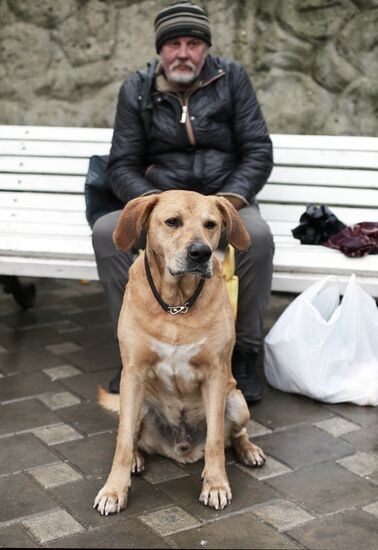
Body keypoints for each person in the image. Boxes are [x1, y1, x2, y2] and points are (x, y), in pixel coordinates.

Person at [92, 1, 274, 403]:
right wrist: (154, 208)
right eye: (174, 43)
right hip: (161, 204)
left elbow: (258, 150)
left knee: (256, 240)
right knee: (108, 233)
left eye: (193, 43)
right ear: (161, 49)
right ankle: (134, 350)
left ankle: (243, 351)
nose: (183, 53)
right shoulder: (136, 89)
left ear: (205, 48)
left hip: (223, 202)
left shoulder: (233, 79)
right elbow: (121, 162)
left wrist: (223, 206)